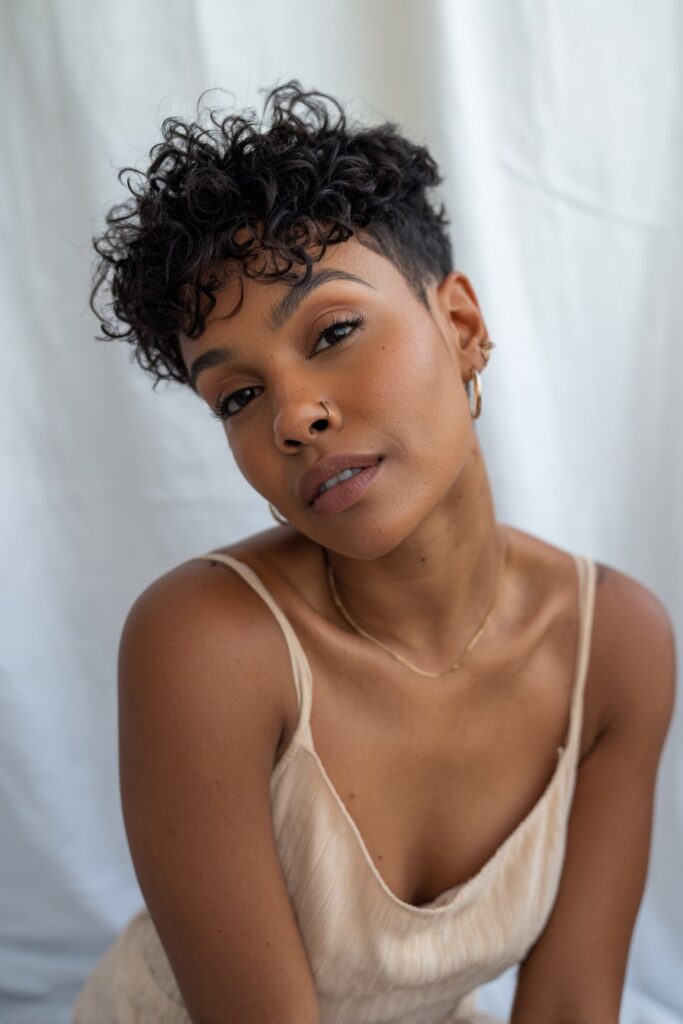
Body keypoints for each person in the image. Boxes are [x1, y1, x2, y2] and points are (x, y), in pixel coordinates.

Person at [72, 80, 676, 1024]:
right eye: (236, 397)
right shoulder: (207, 645)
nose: (294, 417)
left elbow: (568, 1008)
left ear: (462, 328)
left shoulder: (615, 645)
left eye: (335, 331)